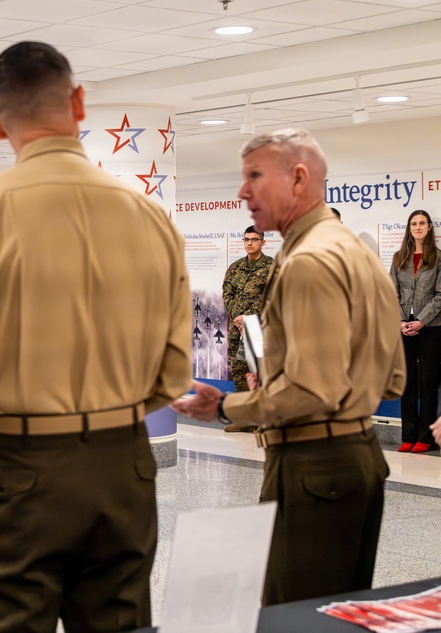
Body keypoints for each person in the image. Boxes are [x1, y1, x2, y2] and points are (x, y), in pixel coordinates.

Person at [0, 41, 191, 632]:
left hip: (18, 465)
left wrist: (9, 411)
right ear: (80, 102)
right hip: (123, 467)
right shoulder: (149, 217)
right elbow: (172, 372)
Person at [173, 128, 405, 606]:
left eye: (255, 176)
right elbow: (393, 379)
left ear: (299, 178)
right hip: (353, 457)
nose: (243, 192)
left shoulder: (308, 262)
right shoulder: (352, 248)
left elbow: (310, 393)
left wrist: (228, 407)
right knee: (334, 611)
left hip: (313, 468)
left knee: (295, 613)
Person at [390, 210, 441, 453]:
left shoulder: (439, 258)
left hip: (431, 326)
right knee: (407, 381)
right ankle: (408, 435)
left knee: (428, 380)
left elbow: (440, 296)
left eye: (422, 223)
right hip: (403, 326)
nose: (418, 227)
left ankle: (426, 437)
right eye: (414, 223)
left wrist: (421, 320)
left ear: (430, 227)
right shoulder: (399, 257)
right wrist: (401, 320)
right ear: (409, 228)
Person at [221, 225, 273, 432]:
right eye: (246, 239)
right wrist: (237, 317)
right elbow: (227, 294)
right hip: (238, 330)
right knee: (240, 372)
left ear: (263, 242)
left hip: (260, 328)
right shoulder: (235, 268)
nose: (249, 243)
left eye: (254, 239)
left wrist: (249, 318)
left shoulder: (272, 266)